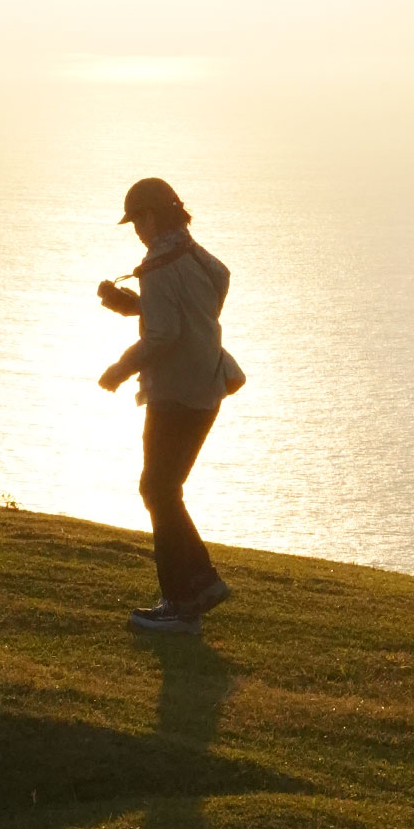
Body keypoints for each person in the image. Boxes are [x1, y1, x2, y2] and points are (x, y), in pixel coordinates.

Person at [97, 177, 245, 635]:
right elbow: (206, 295)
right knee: (163, 488)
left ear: (154, 215)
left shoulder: (159, 266)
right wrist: (136, 306)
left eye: (139, 220)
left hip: (174, 395)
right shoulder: (197, 256)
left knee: (157, 489)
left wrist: (119, 370)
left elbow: (165, 334)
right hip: (208, 389)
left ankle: (186, 599)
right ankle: (193, 592)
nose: (138, 230)